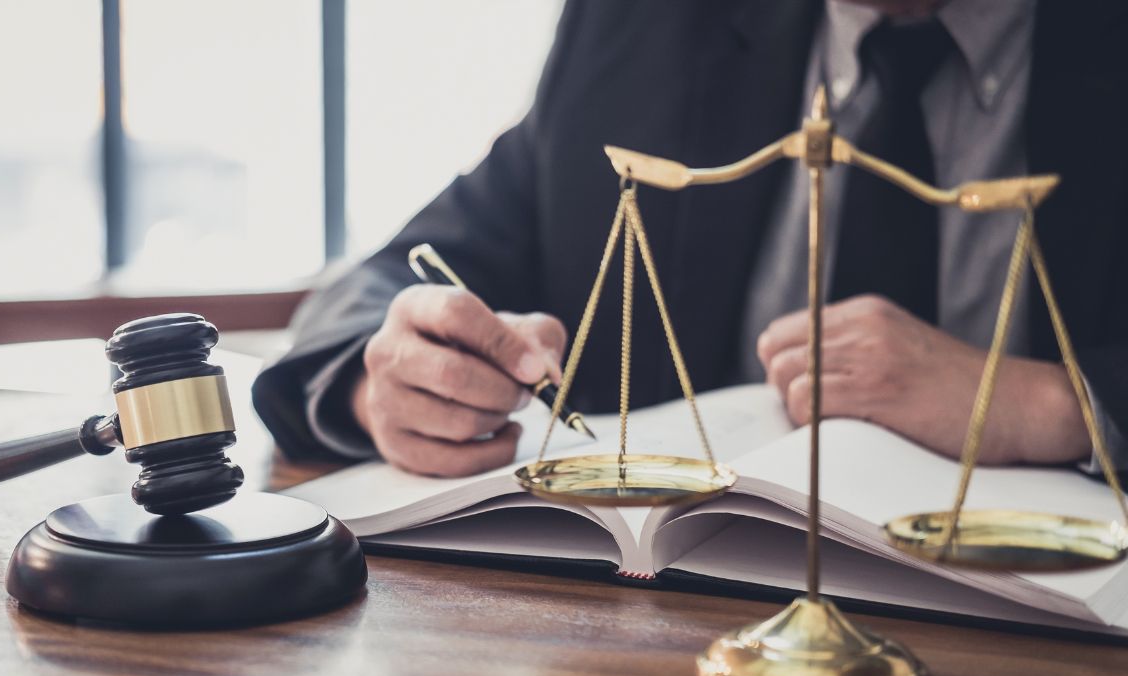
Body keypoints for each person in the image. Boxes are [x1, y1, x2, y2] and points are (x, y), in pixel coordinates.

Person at [253, 0, 1128, 479]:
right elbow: (383, 284)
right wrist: (394, 383)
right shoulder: (643, 27)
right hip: (674, 638)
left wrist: (1057, 404)